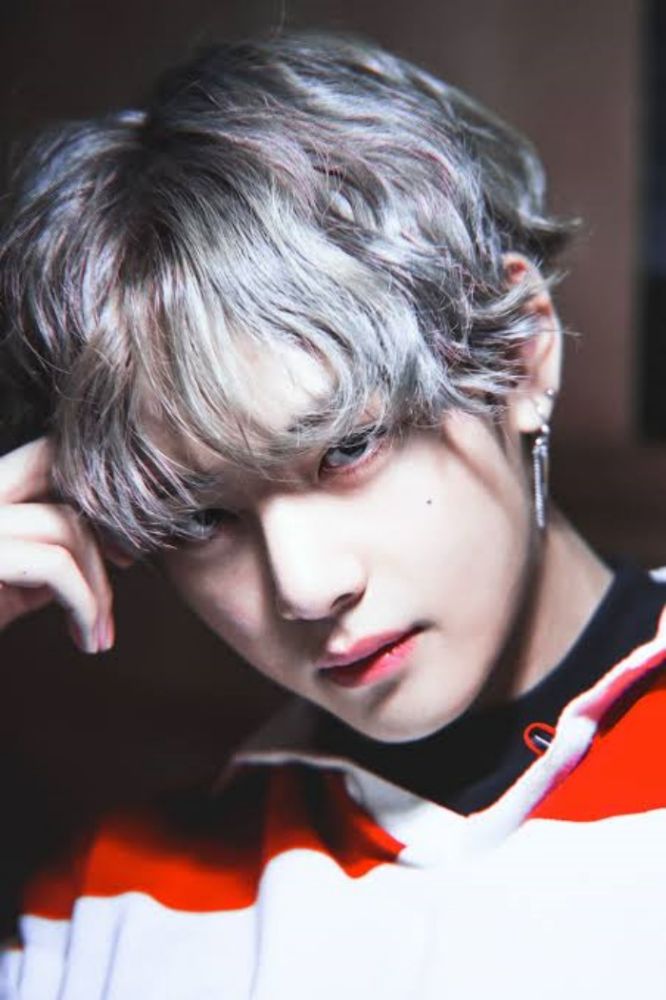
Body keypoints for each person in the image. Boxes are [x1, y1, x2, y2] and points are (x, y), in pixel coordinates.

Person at [1, 30, 665, 1000]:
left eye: (347, 448)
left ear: (520, 358)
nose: (306, 586)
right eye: (200, 519)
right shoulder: (107, 910)